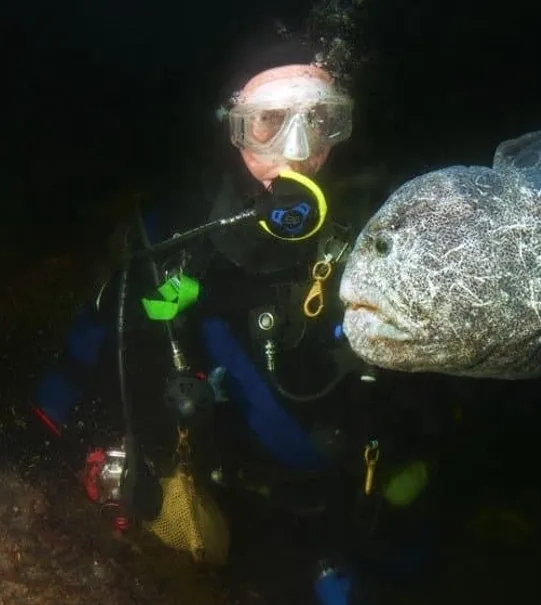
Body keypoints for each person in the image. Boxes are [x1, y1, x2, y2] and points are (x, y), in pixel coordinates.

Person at [31, 14, 450, 571]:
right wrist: (63, 436)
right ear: (233, 128)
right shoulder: (175, 237)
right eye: (268, 122)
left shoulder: (383, 231)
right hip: (237, 509)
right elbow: (92, 348)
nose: (297, 151)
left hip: (353, 509)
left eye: (321, 119)